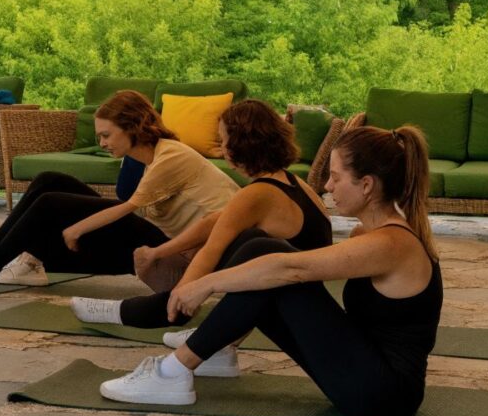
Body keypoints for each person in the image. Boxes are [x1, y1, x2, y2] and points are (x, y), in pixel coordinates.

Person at [96, 124, 441, 416]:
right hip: (365, 373)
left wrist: (203, 284)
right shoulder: (367, 235)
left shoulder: (393, 245)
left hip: (383, 393)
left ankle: (172, 372)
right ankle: (211, 349)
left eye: (335, 178)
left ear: (366, 185)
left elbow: (291, 268)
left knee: (271, 258)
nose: (327, 187)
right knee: (259, 249)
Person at [70, 98, 329, 343]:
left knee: (246, 247)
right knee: (248, 249)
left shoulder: (257, 194)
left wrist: (181, 295)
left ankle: (117, 312)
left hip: (291, 306)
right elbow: (212, 223)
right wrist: (159, 252)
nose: (221, 149)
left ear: (242, 144)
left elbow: (211, 250)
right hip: (296, 295)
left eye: (224, 141)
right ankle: (222, 345)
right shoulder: (293, 182)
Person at [0, 90, 235, 293]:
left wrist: (76, 228)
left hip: (186, 259)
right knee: (50, 180)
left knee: (52, 203)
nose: (102, 143)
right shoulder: (146, 156)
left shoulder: (172, 156)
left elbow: (126, 208)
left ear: (133, 127)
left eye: (106, 135)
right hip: (167, 241)